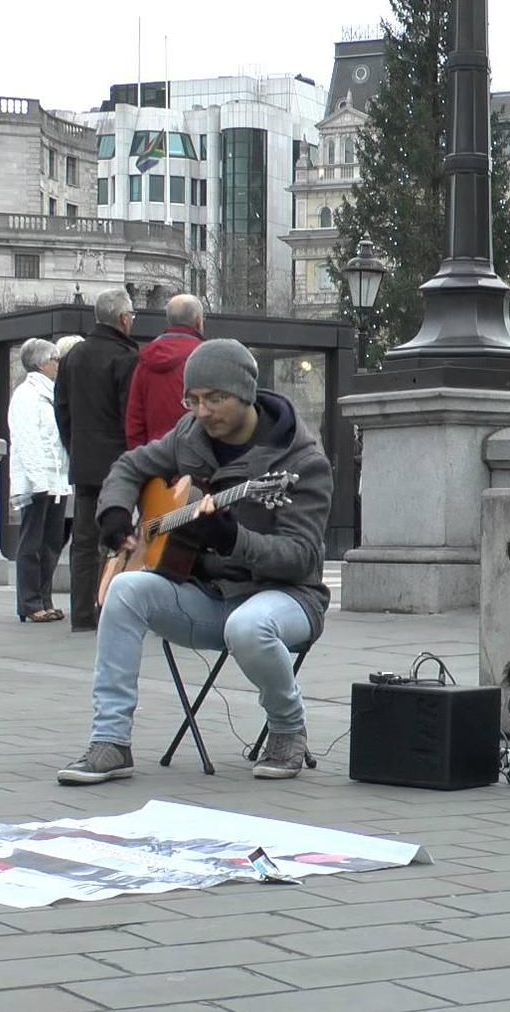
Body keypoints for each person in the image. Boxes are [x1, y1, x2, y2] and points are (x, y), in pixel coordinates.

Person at [57, 339, 334, 785]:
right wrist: (113, 512)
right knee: (124, 591)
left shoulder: (302, 461)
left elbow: (299, 558)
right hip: (208, 596)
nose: (202, 412)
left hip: (286, 600)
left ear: (245, 394)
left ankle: (287, 727)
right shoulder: (189, 435)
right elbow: (129, 466)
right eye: (194, 399)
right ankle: (111, 741)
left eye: (215, 399)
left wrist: (232, 538)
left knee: (248, 627)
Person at [54, 288, 139, 632]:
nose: (132, 321)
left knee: (84, 540)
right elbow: (130, 415)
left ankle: (82, 616)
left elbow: (61, 409)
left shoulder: (74, 356)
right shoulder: (126, 358)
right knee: (119, 537)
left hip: (84, 461)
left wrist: (75, 446)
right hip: (119, 464)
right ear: (122, 319)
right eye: (131, 316)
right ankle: (109, 610)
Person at [8, 338, 71, 624]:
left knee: (51, 543)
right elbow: (26, 439)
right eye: (54, 359)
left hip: (57, 480)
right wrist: (37, 480)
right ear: (40, 363)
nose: (58, 364)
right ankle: (30, 602)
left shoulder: (52, 393)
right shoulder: (26, 394)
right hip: (38, 482)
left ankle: (44, 599)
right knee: (31, 542)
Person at [126, 294, 207, 447]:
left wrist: (140, 460)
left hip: (155, 458)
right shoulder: (205, 356)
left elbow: (135, 418)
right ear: (198, 321)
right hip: (196, 458)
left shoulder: (145, 359)